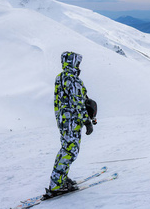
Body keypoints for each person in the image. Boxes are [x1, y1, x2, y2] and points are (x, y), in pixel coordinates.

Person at [44, 51, 94, 198]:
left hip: (63, 120)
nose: (79, 65)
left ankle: (59, 179)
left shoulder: (60, 77)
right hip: (72, 121)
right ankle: (57, 185)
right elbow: (77, 102)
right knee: (70, 152)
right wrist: (87, 121)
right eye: (77, 62)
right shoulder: (72, 79)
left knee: (65, 150)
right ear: (72, 63)